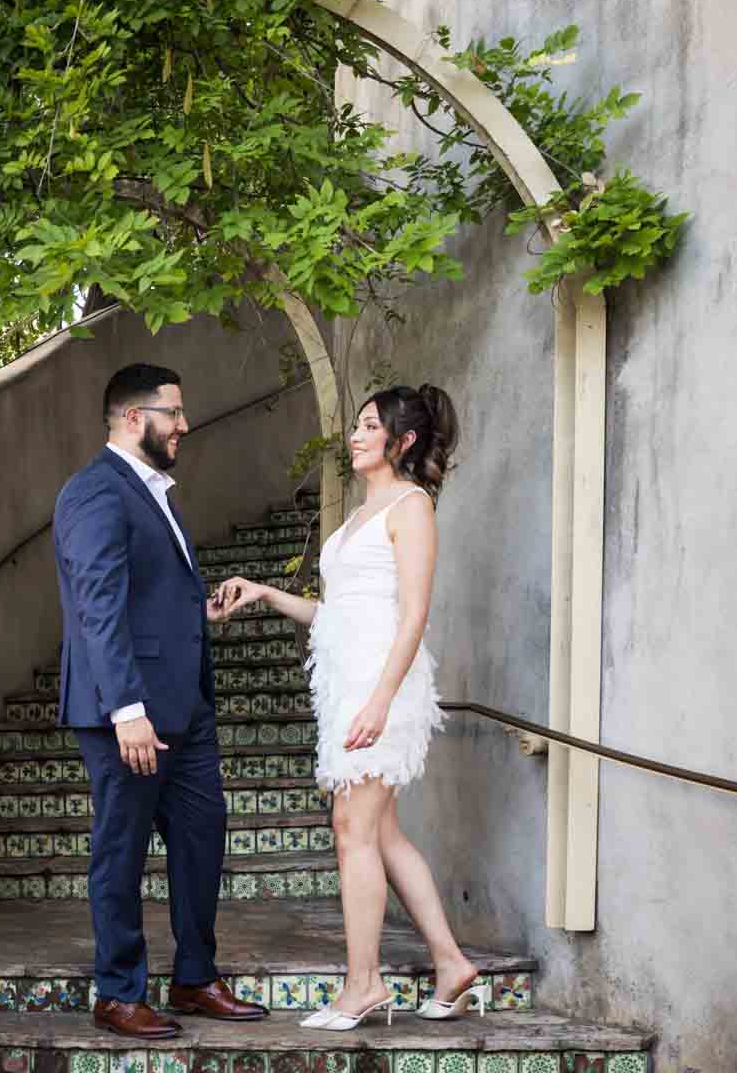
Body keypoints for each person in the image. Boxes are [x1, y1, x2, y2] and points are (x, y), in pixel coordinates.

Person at [217, 384, 487, 1031]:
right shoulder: (361, 516)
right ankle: (450, 963)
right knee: (382, 834)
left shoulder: (412, 506)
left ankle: (363, 985)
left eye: (371, 426)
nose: (357, 435)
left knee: (353, 831)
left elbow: (414, 614)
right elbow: (335, 616)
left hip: (381, 686)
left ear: (405, 440)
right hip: (348, 684)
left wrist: (380, 701)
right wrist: (264, 592)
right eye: (359, 425)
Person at [54, 363, 269, 1039]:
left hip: (186, 707)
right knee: (121, 851)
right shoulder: (95, 492)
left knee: (203, 840)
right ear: (131, 418)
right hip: (132, 714)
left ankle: (195, 978)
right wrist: (126, 710)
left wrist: (194, 611)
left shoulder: (157, 494)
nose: (184, 424)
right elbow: (98, 606)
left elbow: (144, 595)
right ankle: (119, 993)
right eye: (172, 412)